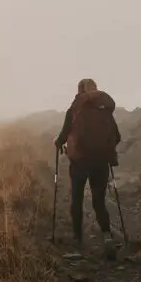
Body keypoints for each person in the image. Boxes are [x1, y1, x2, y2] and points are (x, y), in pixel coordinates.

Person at [54, 78, 122, 257]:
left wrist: (59, 141)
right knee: (99, 200)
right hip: (101, 162)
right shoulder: (105, 110)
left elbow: (63, 135)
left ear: (79, 91)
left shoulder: (75, 107)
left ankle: (78, 240)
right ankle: (107, 236)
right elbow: (117, 137)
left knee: (76, 199)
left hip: (79, 161)